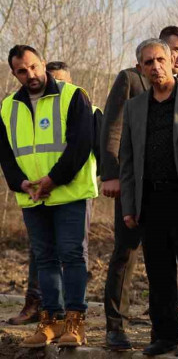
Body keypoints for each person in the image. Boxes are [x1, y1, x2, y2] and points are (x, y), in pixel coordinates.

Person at [118, 39, 178, 356]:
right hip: (151, 201)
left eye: (160, 59)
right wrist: (130, 206)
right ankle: (165, 334)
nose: (156, 66)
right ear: (140, 68)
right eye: (148, 62)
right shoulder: (134, 107)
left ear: (171, 59)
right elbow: (129, 160)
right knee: (158, 272)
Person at [101, 25, 178, 351]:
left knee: (176, 258)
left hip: (173, 194)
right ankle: (116, 326)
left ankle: (175, 325)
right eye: (176, 50)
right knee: (125, 253)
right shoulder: (130, 79)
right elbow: (113, 128)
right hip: (132, 187)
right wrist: (111, 174)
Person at [0, 45, 98, 348]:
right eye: (22, 71)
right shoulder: (7, 107)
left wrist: (53, 179)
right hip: (33, 197)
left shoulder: (73, 95)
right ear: (14, 73)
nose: (30, 74)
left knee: (71, 256)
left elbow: (82, 144)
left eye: (33, 67)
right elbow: (6, 153)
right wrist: (21, 183)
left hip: (69, 192)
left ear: (43, 63)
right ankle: (50, 321)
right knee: (44, 259)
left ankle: (75, 323)